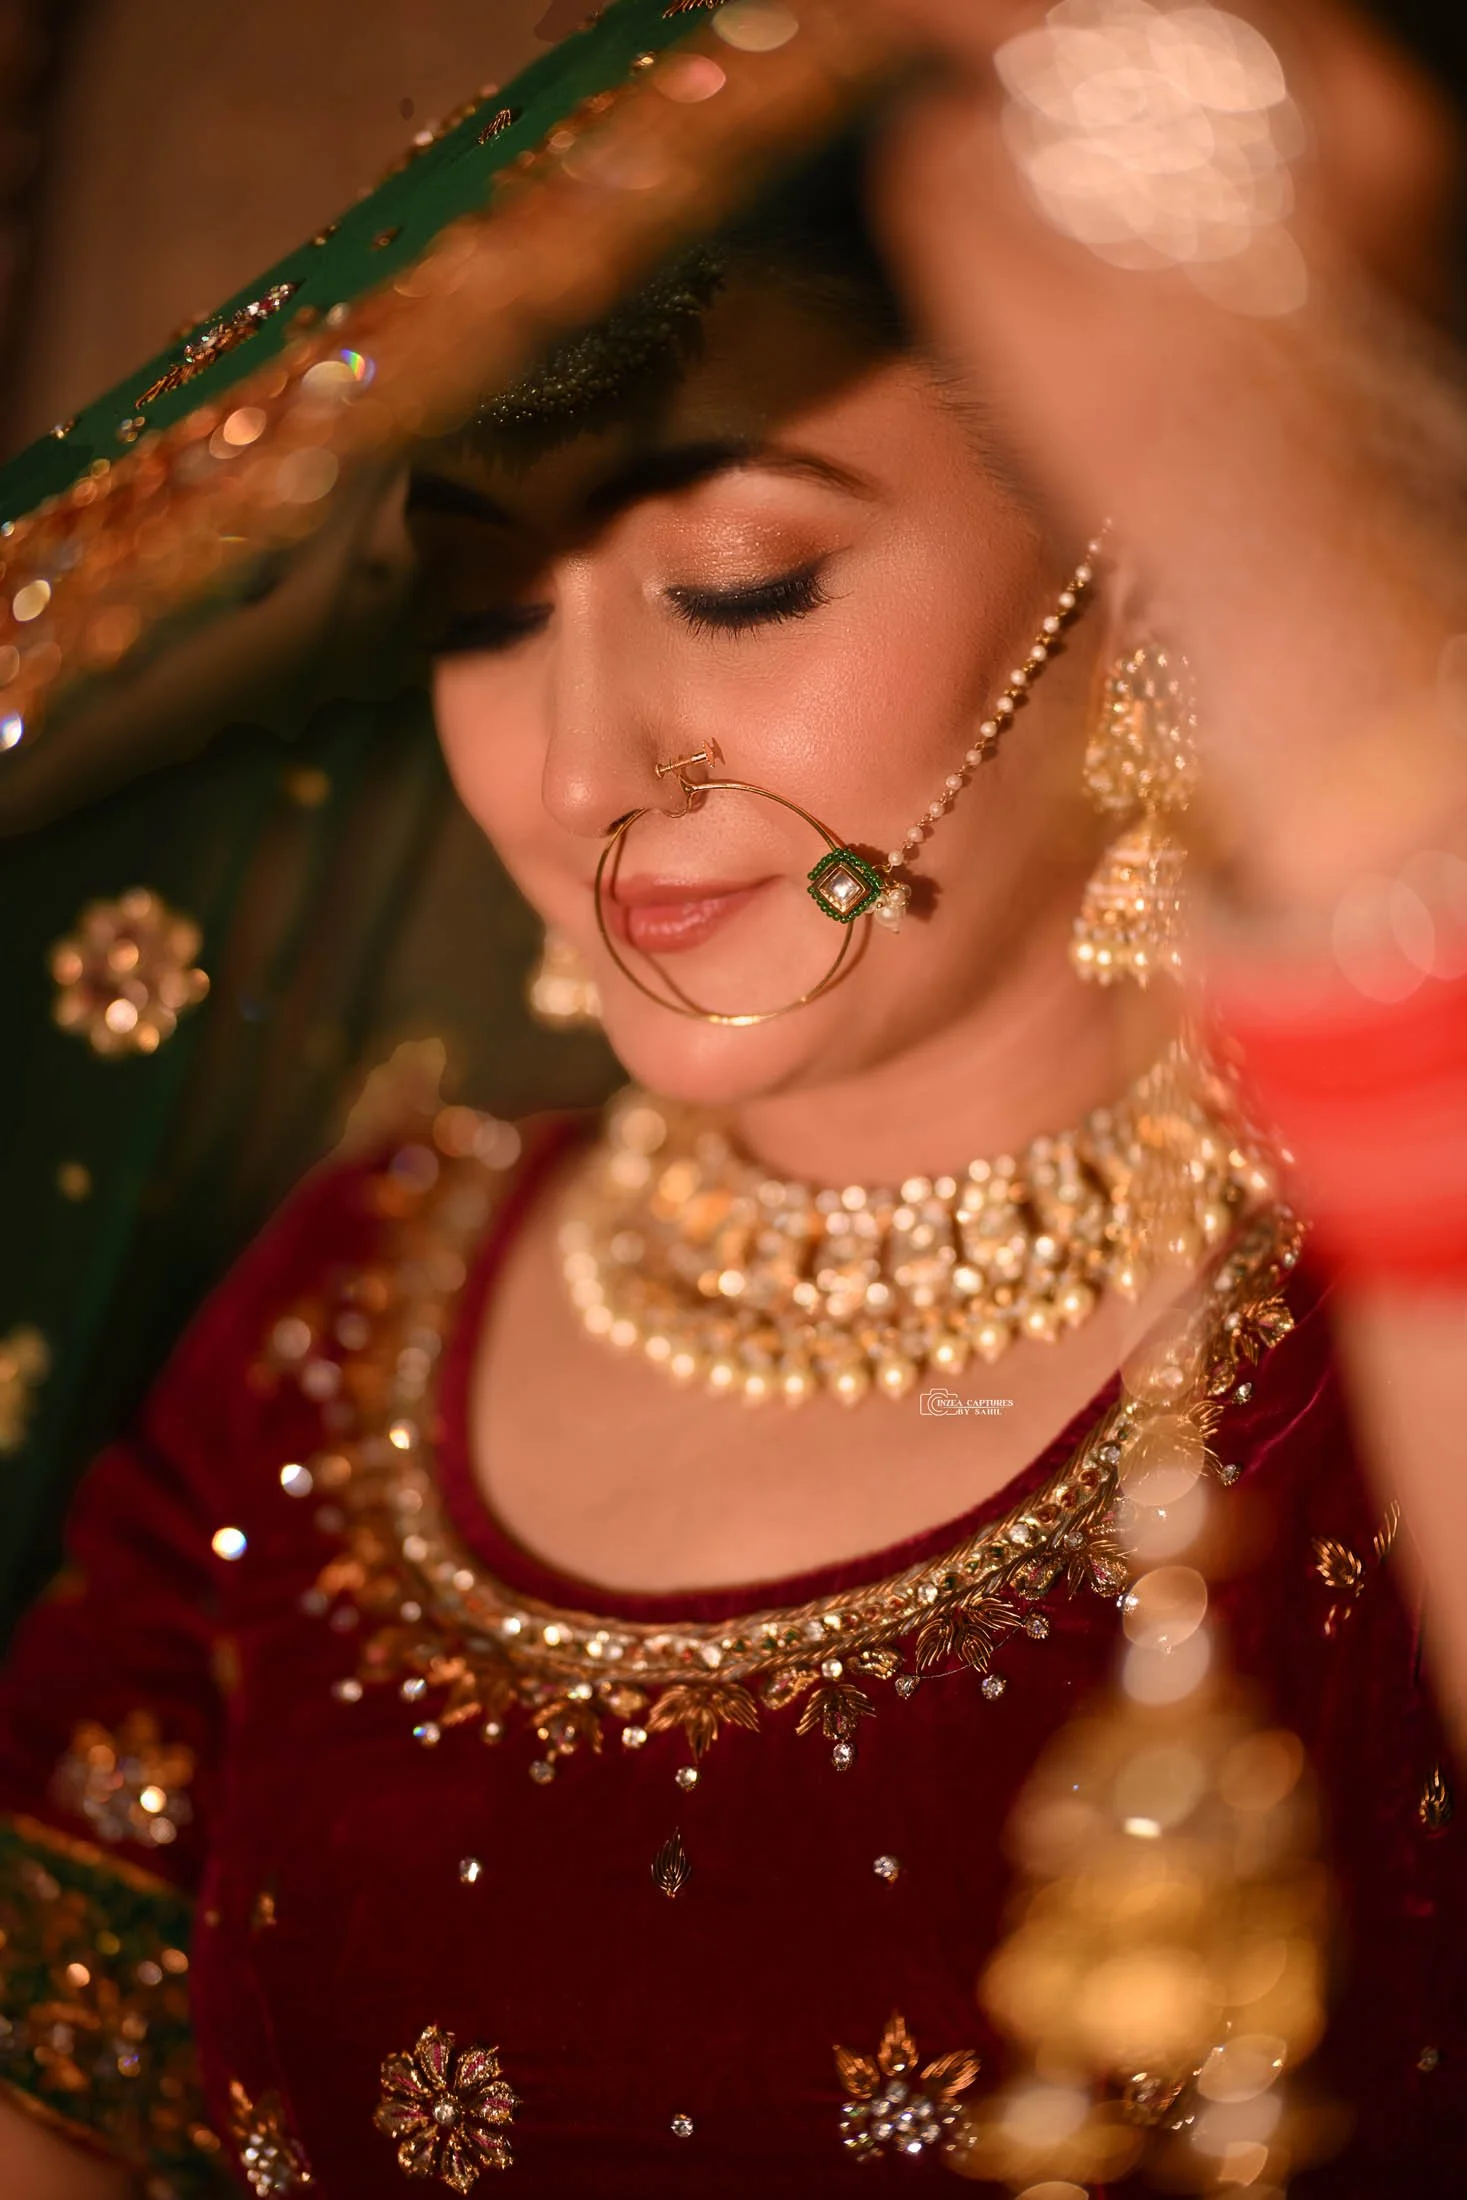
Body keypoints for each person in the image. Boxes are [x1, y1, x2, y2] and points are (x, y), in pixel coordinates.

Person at [0, 0, 1463, 2193]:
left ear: (1128, 561)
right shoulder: (344, 1305)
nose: (578, 769)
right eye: (481, 608)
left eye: (738, 582)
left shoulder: (1381, 1329)